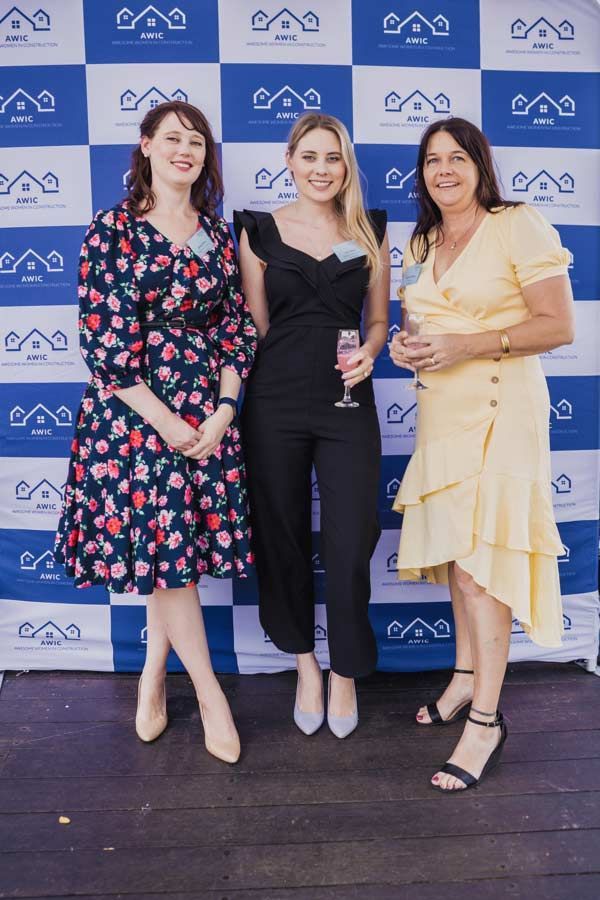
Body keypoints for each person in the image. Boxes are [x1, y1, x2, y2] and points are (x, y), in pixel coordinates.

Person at [54, 101, 257, 764]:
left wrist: (223, 411)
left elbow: (236, 330)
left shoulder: (218, 235)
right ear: (146, 147)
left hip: (207, 414)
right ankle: (208, 695)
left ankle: (151, 678)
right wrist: (171, 425)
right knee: (171, 564)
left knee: (171, 559)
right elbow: (106, 347)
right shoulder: (111, 230)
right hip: (136, 419)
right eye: (172, 139)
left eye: (195, 142)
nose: (184, 151)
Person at [390, 118, 574, 791]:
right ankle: (465, 678)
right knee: (457, 561)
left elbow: (559, 324)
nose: (444, 171)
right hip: (442, 415)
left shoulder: (517, 223)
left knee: (482, 569)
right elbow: (416, 325)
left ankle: (488, 720)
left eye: (457, 158)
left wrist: (468, 346)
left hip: (502, 412)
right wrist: (404, 348)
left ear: (480, 166)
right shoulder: (420, 240)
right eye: (433, 160)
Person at [234, 113, 390, 739]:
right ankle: (304, 664)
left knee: (351, 538)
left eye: (333, 158)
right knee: (283, 535)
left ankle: (345, 672)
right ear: (291, 160)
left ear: (345, 165)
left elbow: (377, 321)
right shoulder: (258, 231)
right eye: (310, 157)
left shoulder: (368, 231)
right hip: (275, 399)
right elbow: (256, 324)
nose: (322, 168)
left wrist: (372, 353)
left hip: (348, 398)